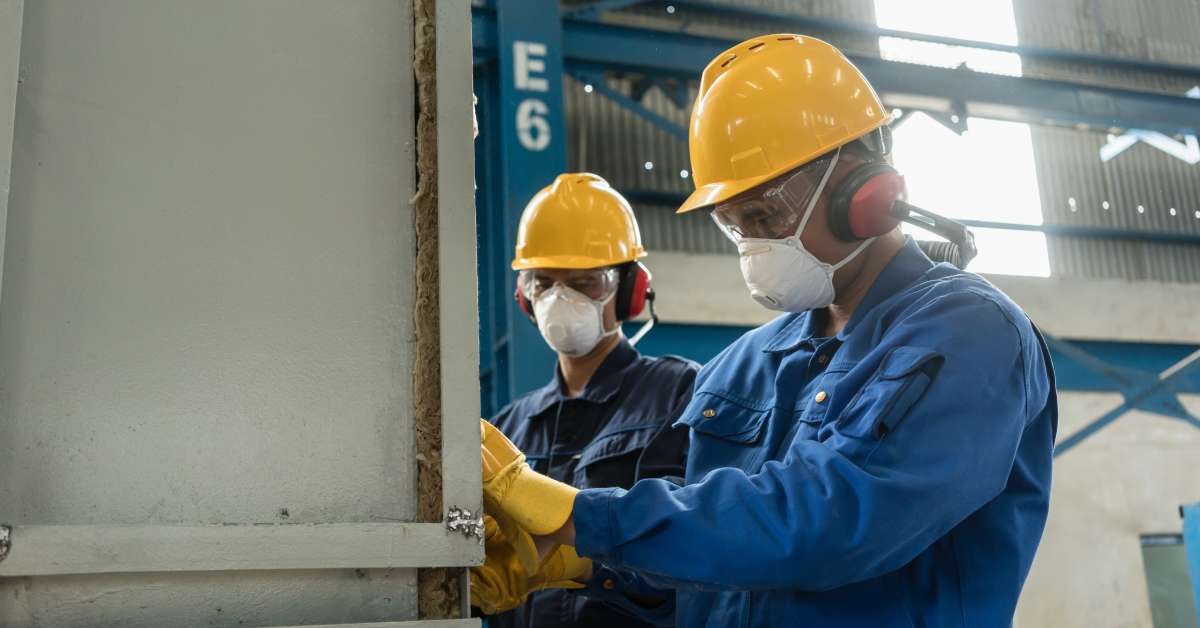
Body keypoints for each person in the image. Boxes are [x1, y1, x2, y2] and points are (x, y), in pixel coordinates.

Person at [479, 34, 1057, 628]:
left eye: (765, 216)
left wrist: (580, 516)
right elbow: (711, 564)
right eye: (735, 225)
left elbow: (832, 524)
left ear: (864, 191)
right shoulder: (741, 366)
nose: (755, 246)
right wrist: (582, 564)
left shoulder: (970, 334)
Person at [473, 173, 697, 627]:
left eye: (586, 282)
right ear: (524, 296)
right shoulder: (507, 427)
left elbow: (697, 549)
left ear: (631, 290)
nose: (561, 298)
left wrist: (588, 564)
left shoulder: (681, 394)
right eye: (543, 283)